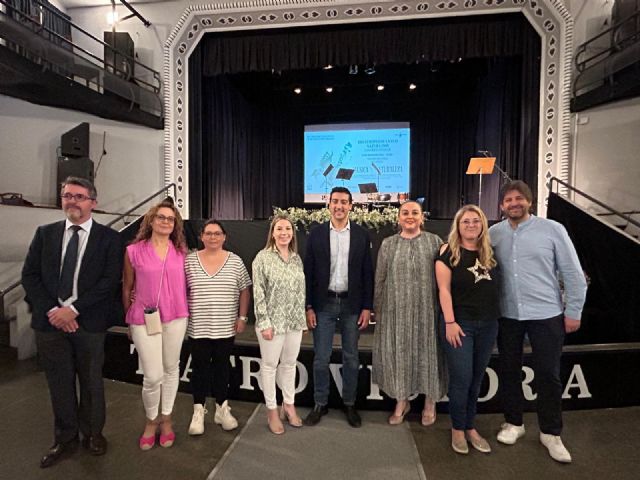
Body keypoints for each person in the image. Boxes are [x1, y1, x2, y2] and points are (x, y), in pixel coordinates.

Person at [22, 177, 123, 468]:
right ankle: (65, 439)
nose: (72, 201)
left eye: (79, 196)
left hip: (88, 323)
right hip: (51, 323)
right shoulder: (45, 234)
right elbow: (30, 276)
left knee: (91, 382)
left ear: (93, 202)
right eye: (67, 195)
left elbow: (109, 281)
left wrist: (74, 310)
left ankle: (93, 434)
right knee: (59, 383)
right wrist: (55, 311)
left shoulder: (109, 238)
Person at [490, 180, 587, 463]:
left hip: (546, 314)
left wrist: (574, 310)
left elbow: (573, 272)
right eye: (508, 200)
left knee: (548, 374)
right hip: (508, 315)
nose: (514, 204)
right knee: (509, 370)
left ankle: (551, 432)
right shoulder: (494, 234)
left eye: (519, 198)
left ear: (529, 202)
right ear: (502, 205)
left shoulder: (553, 230)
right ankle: (514, 423)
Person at [304, 187, 374, 428]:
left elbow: (367, 273)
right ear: (329, 205)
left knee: (351, 357)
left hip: (351, 305)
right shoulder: (316, 234)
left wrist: (367, 307)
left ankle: (349, 403)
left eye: (344, 202)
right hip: (323, 304)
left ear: (351, 205)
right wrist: (308, 306)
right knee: (321, 358)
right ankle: (320, 403)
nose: (339, 206)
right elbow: (308, 272)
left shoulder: (362, 235)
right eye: (335, 201)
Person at [122, 199, 189, 450]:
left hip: (176, 317)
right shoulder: (133, 251)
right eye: (161, 217)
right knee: (152, 376)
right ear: (151, 220)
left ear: (175, 225)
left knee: (171, 368)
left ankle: (167, 418)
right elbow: (127, 287)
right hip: (144, 318)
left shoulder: (181, 252)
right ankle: (151, 421)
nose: (165, 222)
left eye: (171, 219)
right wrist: (129, 320)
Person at [373, 200, 446, 427]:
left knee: (430, 355)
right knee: (400, 356)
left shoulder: (435, 242)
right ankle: (402, 401)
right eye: (405, 212)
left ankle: (430, 403)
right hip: (397, 312)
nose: (410, 216)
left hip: (428, 311)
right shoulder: (388, 244)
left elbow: (445, 278)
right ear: (398, 218)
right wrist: (378, 309)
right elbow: (380, 278)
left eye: (415, 212)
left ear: (422, 217)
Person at [435, 205, 499, 454]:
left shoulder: (490, 254)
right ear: (458, 226)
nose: (471, 225)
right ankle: (457, 429)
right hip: (460, 326)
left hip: (488, 325)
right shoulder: (448, 253)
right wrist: (450, 322)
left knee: (476, 379)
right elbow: (444, 290)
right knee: (461, 379)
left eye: (475, 221)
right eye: (466, 222)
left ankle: (470, 426)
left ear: (482, 224)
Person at [185, 219, 251, 435]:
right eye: (208, 233)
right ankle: (198, 411)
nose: (213, 237)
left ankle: (222, 409)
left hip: (225, 327)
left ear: (224, 237)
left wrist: (242, 317)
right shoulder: (189, 261)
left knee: (222, 367)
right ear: (201, 237)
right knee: (200, 368)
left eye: (217, 233)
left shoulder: (235, 261)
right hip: (198, 327)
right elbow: (180, 290)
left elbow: (244, 290)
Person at [252, 214, 307, 434]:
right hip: (271, 324)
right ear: (272, 233)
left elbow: (300, 292)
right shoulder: (262, 258)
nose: (284, 233)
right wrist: (264, 322)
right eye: (279, 229)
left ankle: (289, 405)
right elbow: (258, 292)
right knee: (269, 366)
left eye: (288, 229)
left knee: (290, 364)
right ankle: (272, 411)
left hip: (293, 322)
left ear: (292, 233)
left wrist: (301, 321)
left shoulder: (296, 258)